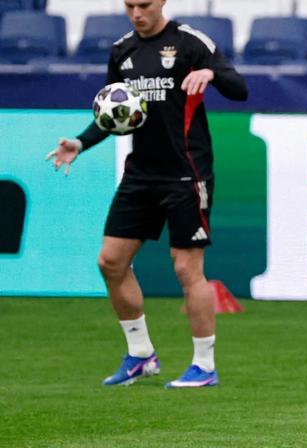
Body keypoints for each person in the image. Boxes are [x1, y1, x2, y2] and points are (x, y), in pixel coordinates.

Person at [45, 0, 248, 388]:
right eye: (130, 5)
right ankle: (141, 355)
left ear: (162, 2)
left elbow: (240, 89)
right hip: (141, 175)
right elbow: (113, 114)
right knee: (110, 261)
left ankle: (204, 365)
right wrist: (80, 143)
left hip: (186, 174)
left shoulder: (190, 43)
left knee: (187, 268)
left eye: (145, 4)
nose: (138, 13)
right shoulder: (122, 52)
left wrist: (210, 72)